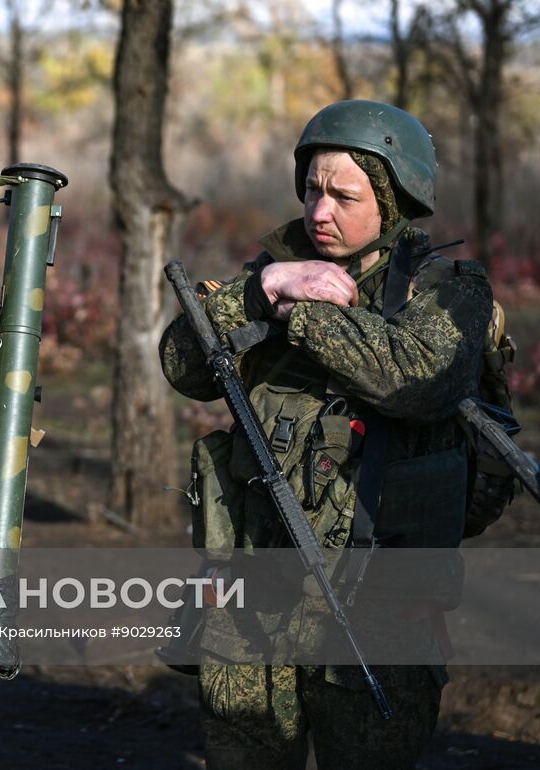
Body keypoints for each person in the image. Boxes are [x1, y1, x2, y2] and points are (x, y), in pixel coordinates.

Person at [159, 100, 493, 769]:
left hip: (377, 605)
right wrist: (260, 292)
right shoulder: (271, 272)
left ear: (394, 199)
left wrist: (301, 308)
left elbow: (415, 376)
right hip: (252, 595)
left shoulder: (448, 290)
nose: (319, 211)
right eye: (311, 189)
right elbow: (182, 363)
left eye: (343, 194)